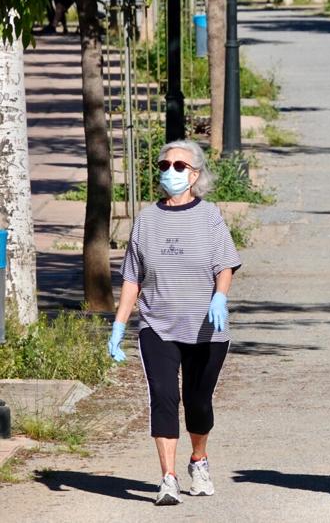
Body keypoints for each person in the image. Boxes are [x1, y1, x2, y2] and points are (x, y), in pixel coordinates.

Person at [107, 140, 242, 505]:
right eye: (164, 164)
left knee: (197, 402)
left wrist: (220, 296)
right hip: (157, 325)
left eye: (179, 166)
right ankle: (167, 478)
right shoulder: (146, 219)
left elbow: (224, 264)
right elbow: (132, 278)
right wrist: (119, 326)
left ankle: (198, 459)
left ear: (194, 174)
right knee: (164, 397)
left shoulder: (210, 215)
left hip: (205, 328)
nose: (170, 171)